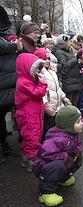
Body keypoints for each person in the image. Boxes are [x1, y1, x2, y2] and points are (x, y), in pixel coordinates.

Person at [32, 106, 83, 207]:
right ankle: (45, 193)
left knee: (78, 158)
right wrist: (66, 156)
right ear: (68, 125)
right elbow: (45, 153)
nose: (82, 123)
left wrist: (76, 152)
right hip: (44, 166)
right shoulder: (58, 138)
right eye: (78, 121)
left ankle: (62, 179)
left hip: (59, 161)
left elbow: (77, 144)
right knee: (57, 165)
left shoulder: (72, 134)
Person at [15, 53, 47, 171]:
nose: (39, 71)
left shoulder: (28, 80)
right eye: (36, 68)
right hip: (28, 114)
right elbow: (37, 93)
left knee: (33, 135)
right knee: (32, 136)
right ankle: (32, 160)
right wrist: (43, 83)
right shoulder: (23, 82)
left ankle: (26, 156)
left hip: (33, 113)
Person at [0, 6, 23, 161]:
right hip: (3, 83)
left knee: (1, 118)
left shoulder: (2, 36)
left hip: (6, 83)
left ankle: (4, 147)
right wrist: (16, 46)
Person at [34, 48, 72, 141]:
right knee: (48, 131)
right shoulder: (38, 75)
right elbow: (40, 92)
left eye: (48, 59)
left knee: (57, 130)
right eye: (44, 59)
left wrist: (64, 97)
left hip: (57, 106)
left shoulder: (52, 72)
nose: (47, 61)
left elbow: (57, 88)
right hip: (48, 109)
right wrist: (46, 105)